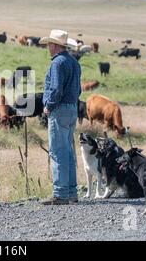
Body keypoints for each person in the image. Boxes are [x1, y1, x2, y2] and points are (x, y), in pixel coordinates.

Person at [39, 30, 81, 205]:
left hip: (59, 109)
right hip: (72, 108)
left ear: (55, 45)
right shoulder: (74, 62)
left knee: (57, 151)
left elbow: (56, 89)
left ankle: (60, 193)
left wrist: (49, 105)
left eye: (49, 44)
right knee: (68, 151)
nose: (48, 47)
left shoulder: (57, 63)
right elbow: (79, 89)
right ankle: (71, 192)